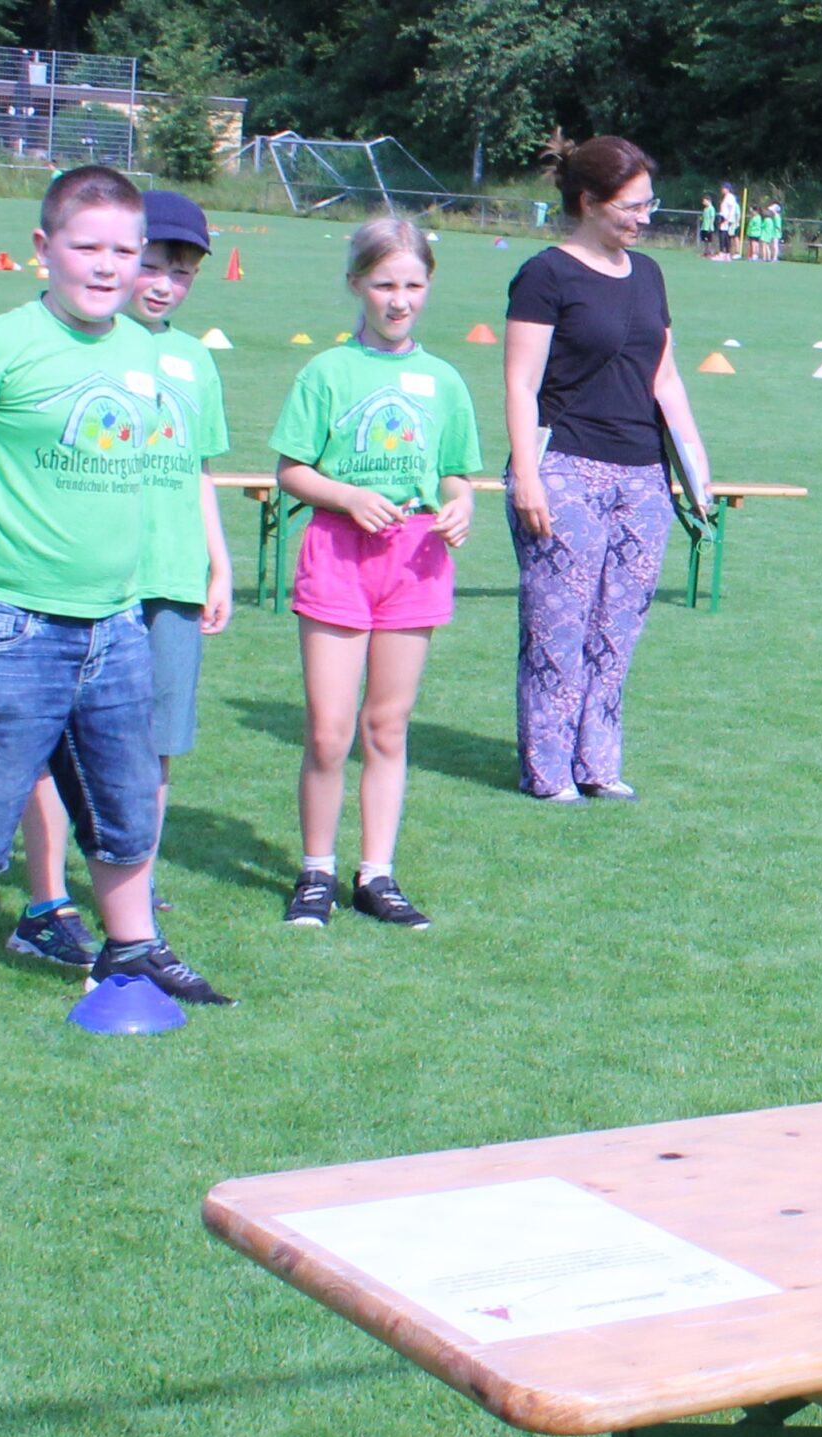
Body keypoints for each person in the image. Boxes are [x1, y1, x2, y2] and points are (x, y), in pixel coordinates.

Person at [0, 164, 232, 1044]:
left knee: (125, 806)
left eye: (125, 249)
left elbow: (165, 476)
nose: (110, 267)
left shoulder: (146, 353)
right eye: (87, 247)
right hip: (7, 624)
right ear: (44, 249)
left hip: (116, 625)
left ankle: (132, 947)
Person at [271, 216, 482, 929]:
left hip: (415, 560)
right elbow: (291, 470)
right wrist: (349, 496)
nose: (399, 299)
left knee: (386, 727)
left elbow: (455, 474)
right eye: (385, 283)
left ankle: (377, 874)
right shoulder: (326, 372)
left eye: (413, 284)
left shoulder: (443, 379)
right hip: (337, 554)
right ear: (357, 283)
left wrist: (460, 506)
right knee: (330, 731)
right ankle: (316, 871)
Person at [503, 133, 713, 806]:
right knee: (558, 628)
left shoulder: (650, 274)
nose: (645, 216)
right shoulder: (545, 275)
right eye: (632, 205)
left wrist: (696, 467)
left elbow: (666, 377)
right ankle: (549, 770)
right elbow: (519, 383)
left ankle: (598, 762)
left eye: (650, 203)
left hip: (642, 476)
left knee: (616, 631)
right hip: (563, 468)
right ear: (589, 201)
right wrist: (527, 479)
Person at [125, 189, 233, 914]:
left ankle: (140, 875)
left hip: (174, 574)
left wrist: (218, 563)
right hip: (96, 578)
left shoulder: (195, 358)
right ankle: (48, 896)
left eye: (182, 271)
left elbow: (198, 468)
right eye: (152, 264)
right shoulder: (97, 339)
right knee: (63, 742)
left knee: (158, 741)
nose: (165, 283)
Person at [716, 183, 740, 258]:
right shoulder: (726, 197)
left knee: (724, 235)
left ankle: (724, 252)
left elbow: (732, 209)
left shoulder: (730, 197)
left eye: (723, 188)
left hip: (727, 219)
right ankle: (724, 253)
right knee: (722, 234)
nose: (722, 190)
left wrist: (727, 219)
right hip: (723, 217)